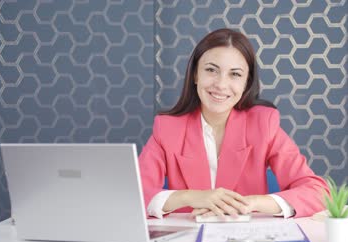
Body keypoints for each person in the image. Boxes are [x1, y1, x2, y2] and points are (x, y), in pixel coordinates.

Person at [139, 28, 329, 219]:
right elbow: (133, 195)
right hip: (184, 241)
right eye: (211, 70)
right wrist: (190, 197)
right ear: (195, 74)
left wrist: (252, 203)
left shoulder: (263, 124)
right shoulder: (167, 128)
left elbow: (317, 192)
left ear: (247, 82)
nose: (221, 84)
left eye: (235, 74)